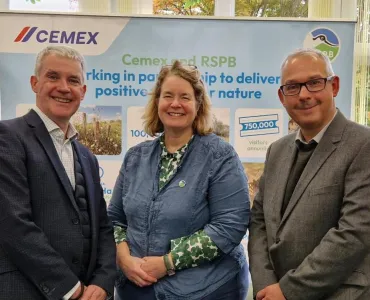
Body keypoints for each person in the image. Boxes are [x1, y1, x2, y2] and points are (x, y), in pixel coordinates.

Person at [108, 61, 250, 300]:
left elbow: (230, 225)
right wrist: (123, 258)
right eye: (168, 96)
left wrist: (168, 262)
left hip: (207, 290)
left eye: (185, 97)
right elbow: (115, 219)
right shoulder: (135, 157)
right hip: (135, 288)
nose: (175, 104)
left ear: (198, 105)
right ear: (157, 103)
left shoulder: (220, 156)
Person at [248, 48, 370, 300]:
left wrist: (288, 291)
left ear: (334, 86)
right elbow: (259, 222)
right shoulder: (276, 151)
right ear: (282, 97)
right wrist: (265, 285)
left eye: (314, 83)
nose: (303, 95)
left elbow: (355, 232)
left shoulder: (363, 144)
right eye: (292, 87)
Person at [0, 45, 116, 300]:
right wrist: (71, 288)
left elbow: (103, 227)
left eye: (73, 80)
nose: (64, 87)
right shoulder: (8, 137)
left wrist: (103, 281)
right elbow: (12, 222)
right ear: (34, 83)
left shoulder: (87, 156)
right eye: (53, 77)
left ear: (82, 91)